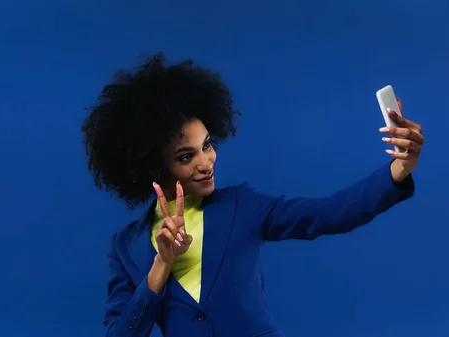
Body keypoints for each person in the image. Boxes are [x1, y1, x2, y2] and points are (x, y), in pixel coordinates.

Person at [81, 52, 424, 337]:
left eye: (207, 146)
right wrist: (161, 264)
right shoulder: (127, 247)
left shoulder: (242, 206)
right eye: (186, 156)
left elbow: (330, 214)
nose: (206, 163)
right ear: (153, 167)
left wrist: (399, 170)